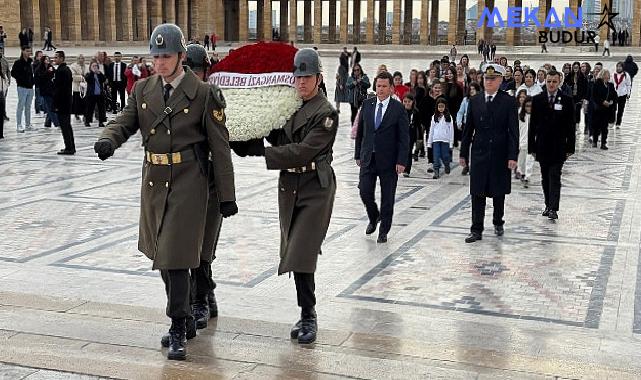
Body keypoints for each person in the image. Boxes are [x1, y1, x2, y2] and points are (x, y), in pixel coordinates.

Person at [93, 24, 237, 361]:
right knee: (162, 256)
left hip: (189, 181)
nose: (159, 62)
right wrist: (108, 139)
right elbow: (125, 120)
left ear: (181, 57)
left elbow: (220, 146)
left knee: (174, 255)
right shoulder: (143, 90)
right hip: (155, 181)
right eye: (155, 56)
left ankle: (177, 327)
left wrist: (227, 195)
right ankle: (185, 315)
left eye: (166, 56)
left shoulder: (202, 94)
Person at [248, 48, 338, 345]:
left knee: (302, 251)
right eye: (298, 77)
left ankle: (309, 315)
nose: (301, 83)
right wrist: (253, 131)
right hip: (291, 185)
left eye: (307, 77)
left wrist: (264, 153)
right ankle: (305, 312)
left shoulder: (326, 112)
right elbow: (280, 136)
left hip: (315, 187)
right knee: (295, 249)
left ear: (318, 78)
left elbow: (302, 150)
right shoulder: (292, 106)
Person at [459, 63, 518, 243]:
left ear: (500, 80)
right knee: (477, 192)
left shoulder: (508, 101)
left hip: (500, 153)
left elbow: (513, 131)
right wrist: (463, 153)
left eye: (493, 79)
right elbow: (468, 129)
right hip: (479, 153)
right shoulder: (475, 101)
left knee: (498, 191)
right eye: (486, 78)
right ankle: (476, 229)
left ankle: (498, 220)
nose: (489, 82)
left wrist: (512, 156)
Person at [355, 71, 409, 244]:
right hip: (368, 158)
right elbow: (361, 132)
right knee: (364, 191)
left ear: (391, 88)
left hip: (389, 161)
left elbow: (404, 138)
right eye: (378, 86)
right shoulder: (367, 104)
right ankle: (373, 216)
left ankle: (384, 230)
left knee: (388, 198)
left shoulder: (398, 108)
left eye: (385, 86)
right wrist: (358, 154)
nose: (381, 89)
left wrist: (402, 161)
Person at [529, 69, 575, 220]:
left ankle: (553, 208)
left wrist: (570, 147)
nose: (551, 84)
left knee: (555, 176)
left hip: (558, 146)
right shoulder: (537, 99)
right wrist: (532, 147)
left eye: (554, 82)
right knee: (544, 177)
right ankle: (548, 204)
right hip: (542, 146)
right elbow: (533, 126)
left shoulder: (567, 100)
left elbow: (570, 126)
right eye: (549, 81)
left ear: (559, 82)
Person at [52, 51, 74, 154]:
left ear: (61, 58)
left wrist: (56, 105)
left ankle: (69, 148)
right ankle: (70, 146)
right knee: (67, 126)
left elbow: (60, 90)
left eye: (56, 58)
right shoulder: (66, 69)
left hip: (62, 103)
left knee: (65, 126)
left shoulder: (61, 71)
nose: (54, 59)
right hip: (67, 101)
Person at [456, 82, 480, 175]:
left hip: (477, 126)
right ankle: (465, 165)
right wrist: (459, 122)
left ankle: (475, 165)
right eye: (470, 89)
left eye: (474, 89)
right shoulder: (466, 100)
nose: (472, 91)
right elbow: (460, 112)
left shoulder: (480, 100)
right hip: (467, 124)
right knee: (465, 145)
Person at [427, 98, 454, 179]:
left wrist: (451, 142)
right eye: (439, 106)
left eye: (442, 106)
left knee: (445, 155)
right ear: (437, 107)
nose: (441, 108)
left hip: (445, 140)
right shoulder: (434, 117)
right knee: (436, 156)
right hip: (436, 140)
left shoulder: (448, 117)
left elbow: (451, 130)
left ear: (445, 107)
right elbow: (431, 130)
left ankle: (446, 164)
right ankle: (436, 172)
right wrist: (429, 142)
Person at [590, 69, 616, 150]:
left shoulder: (610, 85)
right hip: (598, 109)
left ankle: (603, 143)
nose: (607, 76)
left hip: (606, 110)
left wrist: (611, 101)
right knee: (596, 126)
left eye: (608, 75)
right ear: (602, 75)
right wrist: (602, 101)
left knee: (605, 127)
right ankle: (595, 141)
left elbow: (614, 95)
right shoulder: (596, 84)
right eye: (606, 75)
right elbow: (594, 96)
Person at [11, 46, 34, 133]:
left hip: (30, 87)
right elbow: (13, 73)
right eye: (27, 51)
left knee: (28, 106)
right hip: (22, 87)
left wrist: (32, 82)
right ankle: (19, 125)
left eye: (30, 51)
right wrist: (21, 79)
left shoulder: (30, 62)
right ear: (23, 51)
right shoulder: (18, 62)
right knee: (21, 106)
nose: (29, 53)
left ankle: (28, 124)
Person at [35, 55, 58, 129]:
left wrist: (52, 71)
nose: (47, 60)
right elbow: (41, 78)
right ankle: (57, 123)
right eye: (46, 59)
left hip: (52, 89)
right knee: (50, 107)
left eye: (48, 59)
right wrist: (48, 72)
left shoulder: (50, 67)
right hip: (44, 90)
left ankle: (47, 123)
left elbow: (54, 74)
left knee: (50, 106)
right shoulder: (39, 68)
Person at [83, 61, 107, 128]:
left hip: (100, 94)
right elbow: (88, 80)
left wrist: (99, 73)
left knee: (101, 109)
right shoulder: (88, 74)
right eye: (93, 66)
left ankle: (101, 122)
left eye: (96, 66)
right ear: (90, 67)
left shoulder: (100, 74)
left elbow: (104, 79)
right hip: (91, 94)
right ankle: (87, 121)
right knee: (89, 108)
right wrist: (92, 72)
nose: (95, 67)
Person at [517, 96, 534, 187]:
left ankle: (527, 176)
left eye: (531, 106)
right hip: (522, 142)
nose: (529, 108)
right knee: (521, 160)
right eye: (527, 106)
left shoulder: (536, 116)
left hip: (532, 143)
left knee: (529, 160)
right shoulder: (520, 115)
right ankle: (522, 173)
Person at [402, 93, 419, 177]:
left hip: (411, 135)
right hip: (401, 134)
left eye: (409, 101)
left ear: (412, 102)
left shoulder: (415, 112)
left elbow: (418, 126)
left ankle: (407, 169)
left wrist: (418, 138)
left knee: (408, 152)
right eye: (405, 101)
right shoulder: (400, 111)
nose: (407, 103)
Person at [612, 62, 632, 129]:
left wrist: (628, 93)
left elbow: (628, 85)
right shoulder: (613, 74)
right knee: (613, 109)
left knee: (620, 109)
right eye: (617, 66)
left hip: (622, 94)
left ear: (622, 67)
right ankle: (612, 121)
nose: (618, 68)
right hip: (614, 94)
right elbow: (611, 84)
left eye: (620, 66)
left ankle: (618, 123)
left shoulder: (626, 75)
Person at [70, 54, 87, 122]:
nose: (81, 59)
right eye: (79, 58)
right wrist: (82, 77)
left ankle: (85, 114)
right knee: (76, 102)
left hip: (85, 87)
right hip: (77, 87)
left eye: (82, 58)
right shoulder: (73, 66)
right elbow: (73, 76)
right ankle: (76, 114)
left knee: (84, 102)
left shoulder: (86, 66)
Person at [0, 49, 9, 121]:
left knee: (3, 100)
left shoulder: (4, 60)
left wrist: (8, 81)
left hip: (3, 83)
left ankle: (4, 114)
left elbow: (8, 71)